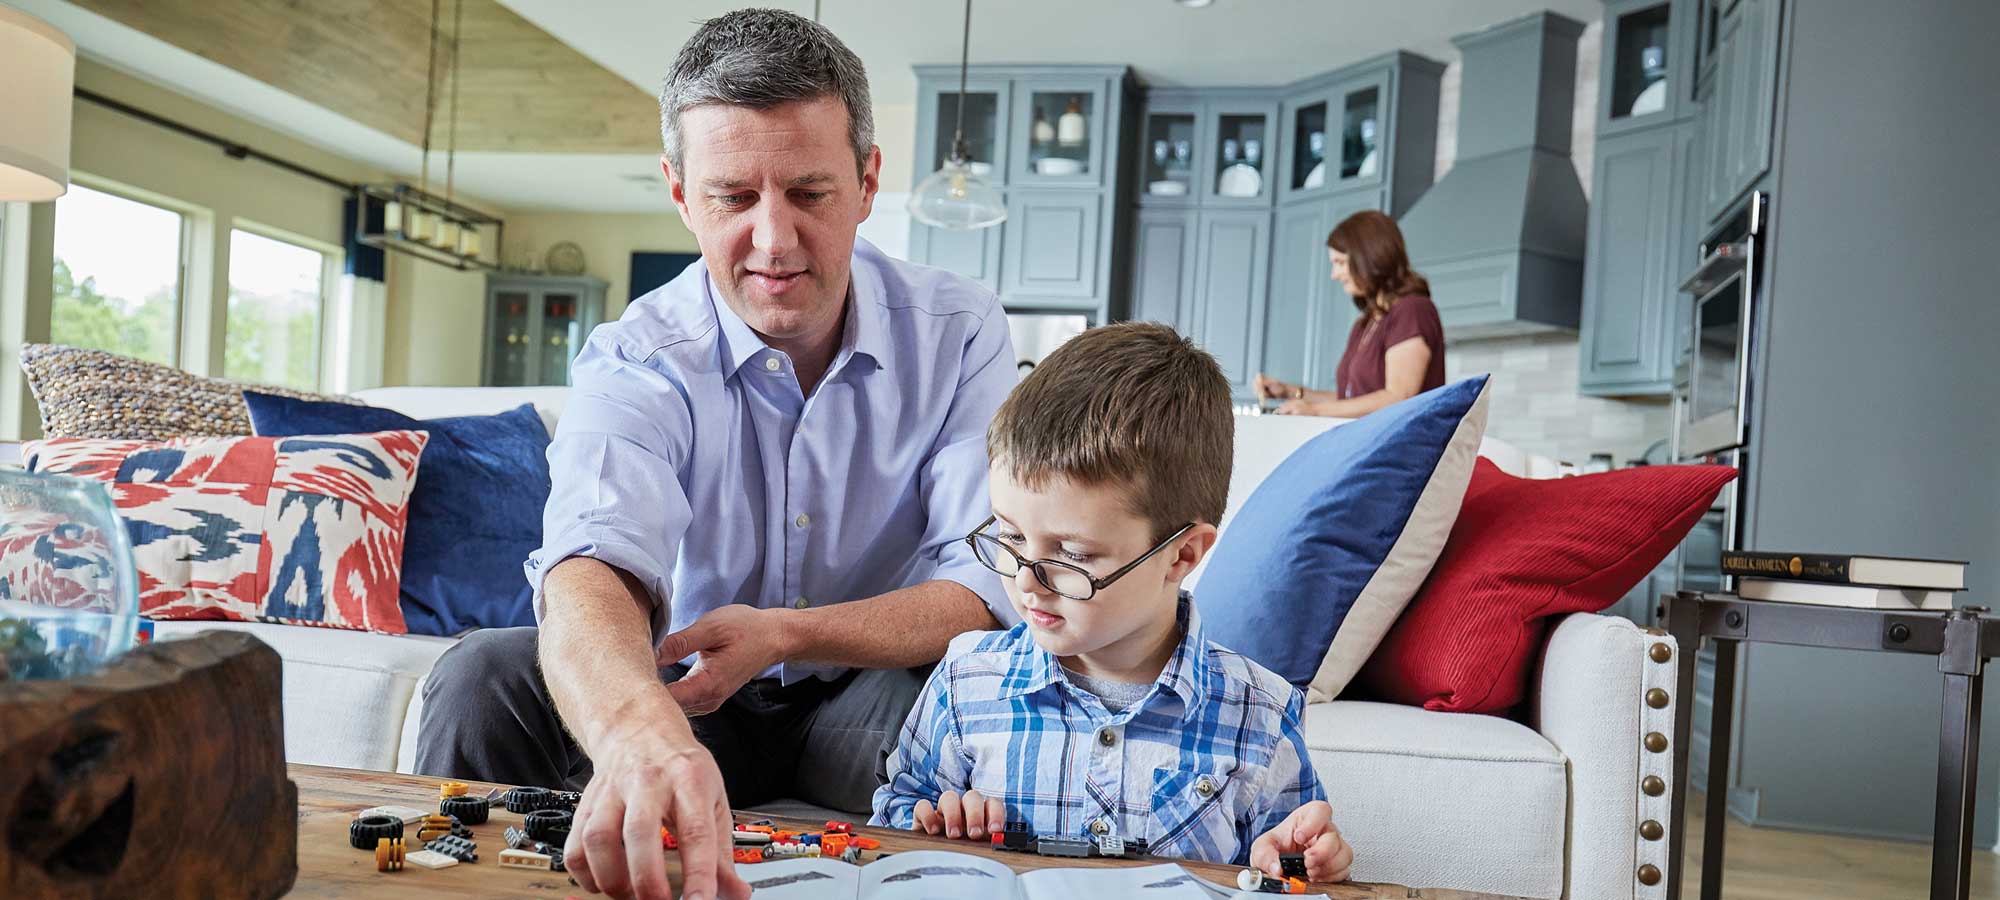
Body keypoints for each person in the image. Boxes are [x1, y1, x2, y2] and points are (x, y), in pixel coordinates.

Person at [411, 10, 1018, 900]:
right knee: (478, 679)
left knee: (996, 701)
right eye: (734, 197)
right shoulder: (634, 355)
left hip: (878, 696)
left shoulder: (962, 331)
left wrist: (788, 632)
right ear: (680, 192)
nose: (774, 243)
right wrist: (636, 729)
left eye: (809, 194)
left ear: (866, 181)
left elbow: (984, 584)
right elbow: (589, 566)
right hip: (690, 693)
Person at [871, 322, 1354, 883]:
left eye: (1072, 555)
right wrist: (935, 826)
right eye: (1009, 535)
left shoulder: (1262, 716)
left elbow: (1291, 863)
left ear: (1180, 555)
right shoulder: (963, 681)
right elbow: (894, 821)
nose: (1028, 580)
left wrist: (1299, 862)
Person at [1253, 209, 1445, 416]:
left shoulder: (1413, 310)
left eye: (1340, 263)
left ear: (1371, 256)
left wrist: (1315, 411)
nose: (1334, 275)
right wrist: (1289, 391)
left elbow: (1399, 397)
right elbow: (1349, 400)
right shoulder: (1365, 324)